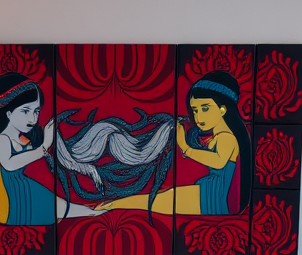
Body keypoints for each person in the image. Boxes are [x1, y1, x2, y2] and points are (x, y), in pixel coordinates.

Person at [96, 70, 251, 216]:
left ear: (222, 109)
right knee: (163, 198)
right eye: (195, 110)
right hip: (208, 191)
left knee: (161, 200)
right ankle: (113, 204)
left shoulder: (227, 137)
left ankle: (113, 205)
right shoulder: (218, 136)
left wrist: (185, 147)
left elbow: (218, 162)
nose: (198, 117)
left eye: (205, 109)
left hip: (214, 198)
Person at [0, 73, 56, 226]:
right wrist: (44, 146)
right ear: (8, 112)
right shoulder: (1, 139)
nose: (32, 119)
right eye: (25, 111)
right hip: (10, 203)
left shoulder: (24, 139)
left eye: (36, 111)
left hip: (24, 190)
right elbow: (9, 164)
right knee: (65, 209)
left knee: (74, 209)